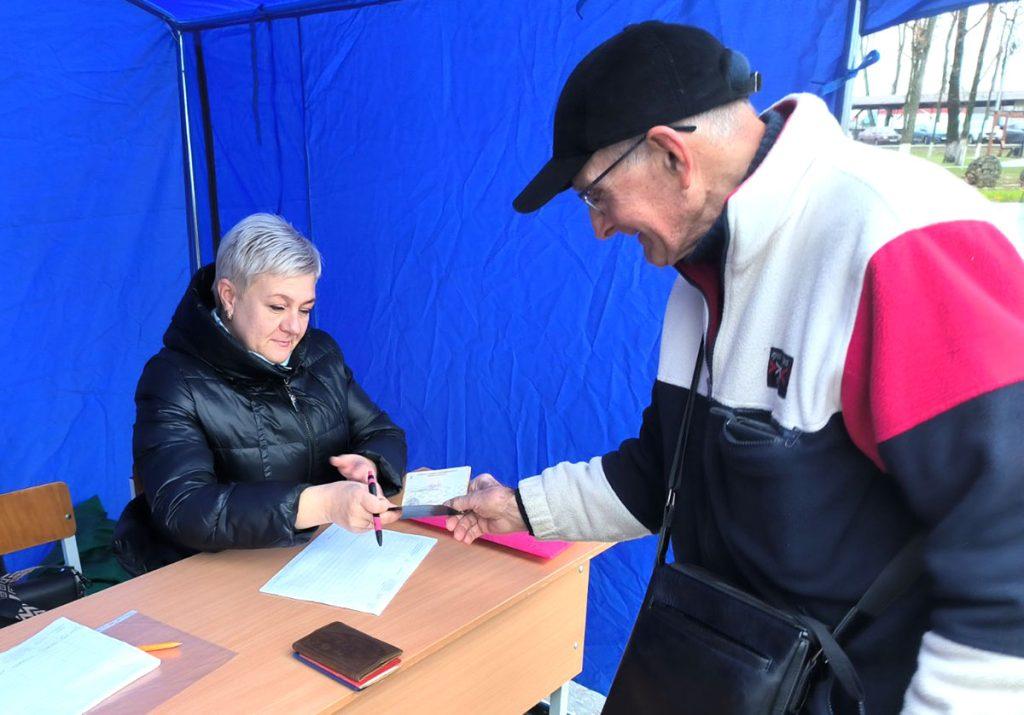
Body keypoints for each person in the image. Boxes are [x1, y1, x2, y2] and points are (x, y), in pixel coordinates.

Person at [446, 21, 1024, 713]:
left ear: (670, 154)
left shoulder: (892, 236)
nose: (599, 227)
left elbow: (1008, 544)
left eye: (596, 195)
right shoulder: (698, 278)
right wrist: (514, 507)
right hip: (737, 681)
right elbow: (661, 474)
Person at [115, 213, 405, 574]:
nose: (295, 327)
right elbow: (185, 507)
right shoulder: (172, 380)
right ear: (229, 296)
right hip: (209, 576)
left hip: (314, 559)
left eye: (306, 309)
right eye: (277, 307)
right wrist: (321, 503)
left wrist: (370, 465)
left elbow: (382, 432)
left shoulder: (320, 353)